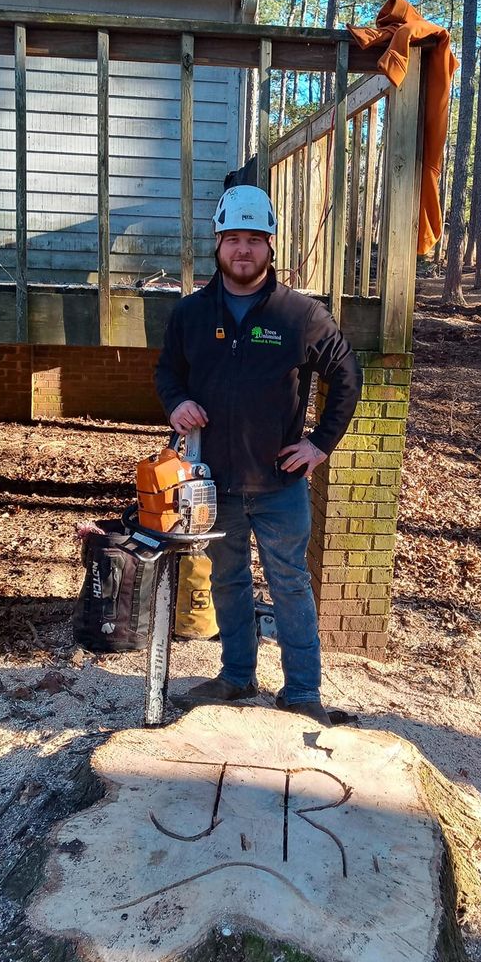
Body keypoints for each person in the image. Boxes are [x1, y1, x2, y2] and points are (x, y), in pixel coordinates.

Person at [155, 185, 362, 726]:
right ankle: (237, 677)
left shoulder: (300, 315)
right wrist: (176, 403)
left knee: (290, 585)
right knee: (227, 582)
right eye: (233, 239)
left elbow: (346, 375)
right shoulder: (191, 314)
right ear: (218, 243)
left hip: (279, 484)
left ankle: (302, 693)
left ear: (271, 245)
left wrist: (319, 443)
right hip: (213, 483)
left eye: (254, 239)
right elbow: (168, 371)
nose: (243, 249)